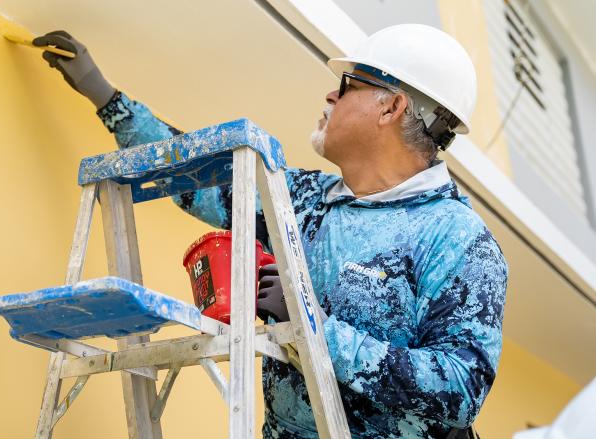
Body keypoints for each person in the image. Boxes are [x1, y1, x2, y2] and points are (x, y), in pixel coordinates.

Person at [33, 23, 508, 439]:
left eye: (347, 85)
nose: (330, 95)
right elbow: (204, 180)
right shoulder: (302, 200)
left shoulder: (457, 238)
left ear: (392, 108)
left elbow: (459, 389)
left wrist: (310, 325)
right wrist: (107, 100)